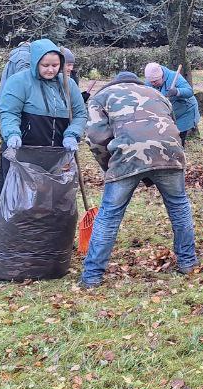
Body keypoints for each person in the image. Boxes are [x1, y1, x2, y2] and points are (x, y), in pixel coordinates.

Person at [79, 71, 196, 287]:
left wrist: (108, 166)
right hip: (170, 154)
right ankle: (188, 262)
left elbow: (95, 138)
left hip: (127, 157)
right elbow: (170, 125)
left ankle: (92, 276)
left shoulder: (101, 98)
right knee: (179, 206)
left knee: (109, 215)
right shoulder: (156, 94)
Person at [0, 39, 87, 198]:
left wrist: (72, 134)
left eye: (55, 65)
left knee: (52, 201)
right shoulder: (19, 81)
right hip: (23, 152)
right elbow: (9, 112)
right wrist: (12, 133)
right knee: (19, 200)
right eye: (45, 65)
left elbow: (80, 114)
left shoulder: (68, 84)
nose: (51, 70)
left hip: (56, 153)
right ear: (35, 62)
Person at [144, 62, 200, 145]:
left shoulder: (174, 76)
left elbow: (189, 91)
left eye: (155, 81)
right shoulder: (150, 81)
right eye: (151, 82)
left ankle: (180, 151)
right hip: (167, 113)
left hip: (184, 111)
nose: (152, 84)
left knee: (179, 138)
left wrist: (177, 91)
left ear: (161, 76)